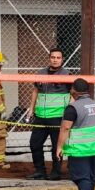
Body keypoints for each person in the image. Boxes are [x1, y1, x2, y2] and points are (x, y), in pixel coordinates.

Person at [56, 78, 95, 190]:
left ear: (74, 90)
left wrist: (59, 147)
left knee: (81, 177)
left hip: (80, 149)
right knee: (90, 177)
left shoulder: (73, 108)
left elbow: (65, 128)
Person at [25, 48, 72, 180]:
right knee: (35, 144)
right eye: (53, 57)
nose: (55, 60)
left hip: (58, 117)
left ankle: (56, 172)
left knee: (57, 146)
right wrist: (31, 108)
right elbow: (35, 91)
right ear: (49, 58)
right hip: (40, 117)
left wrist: (70, 114)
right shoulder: (40, 73)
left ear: (62, 60)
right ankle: (40, 171)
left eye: (58, 58)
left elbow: (73, 94)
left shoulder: (67, 75)